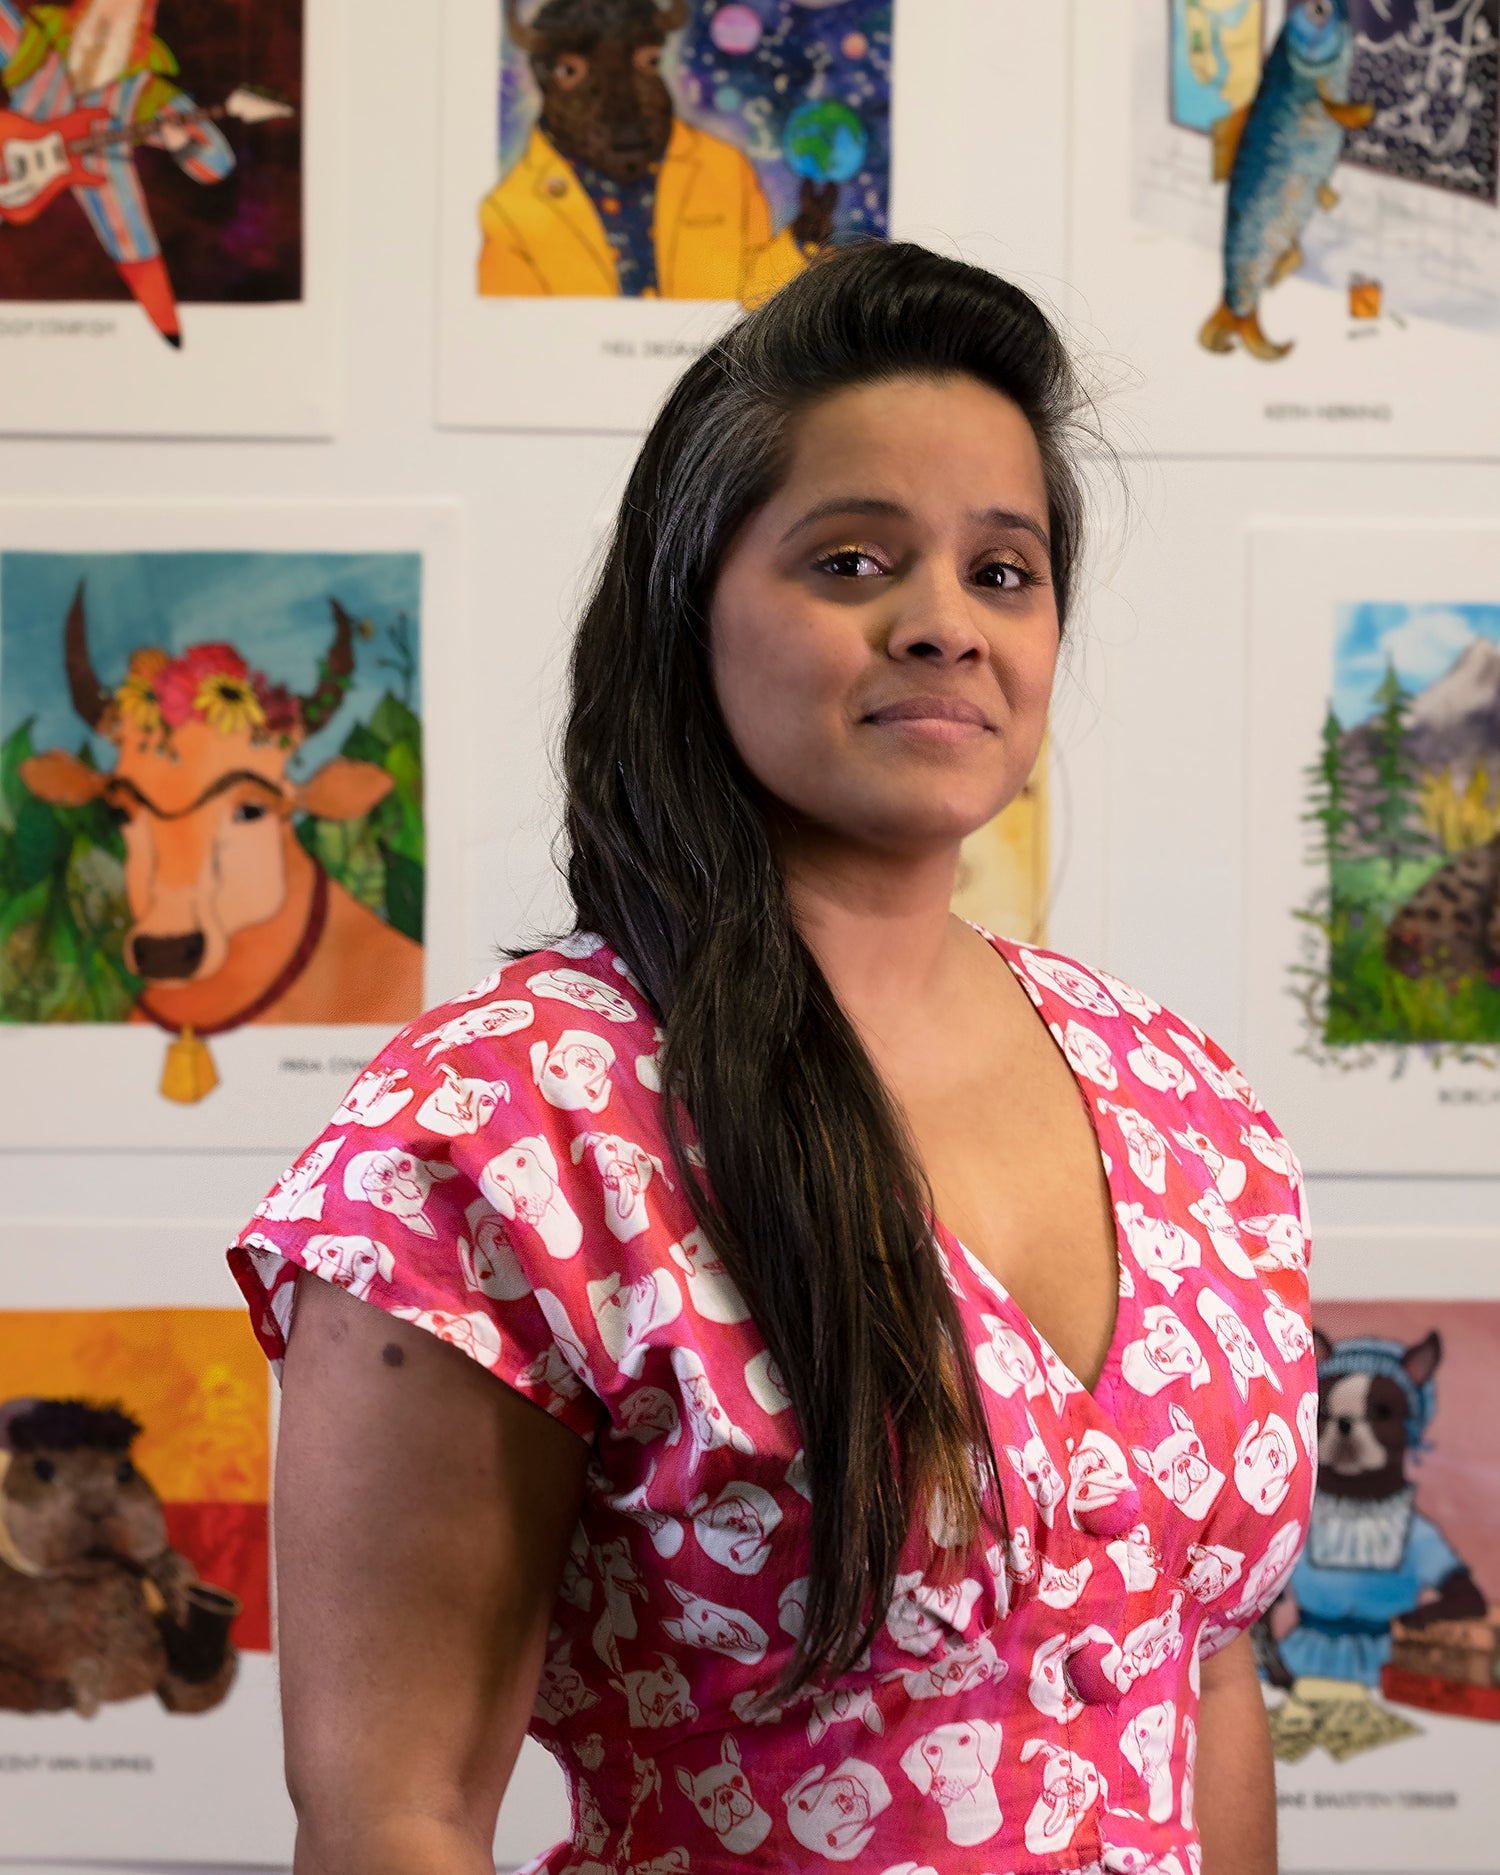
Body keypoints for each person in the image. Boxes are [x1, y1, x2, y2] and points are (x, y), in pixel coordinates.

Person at [231, 242, 1316, 1875]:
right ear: (692, 610)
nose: (944, 623)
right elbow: (397, 1814)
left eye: (1002, 572)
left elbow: (1209, 1674)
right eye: (856, 560)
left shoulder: (1188, 1101)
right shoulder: (502, 1127)